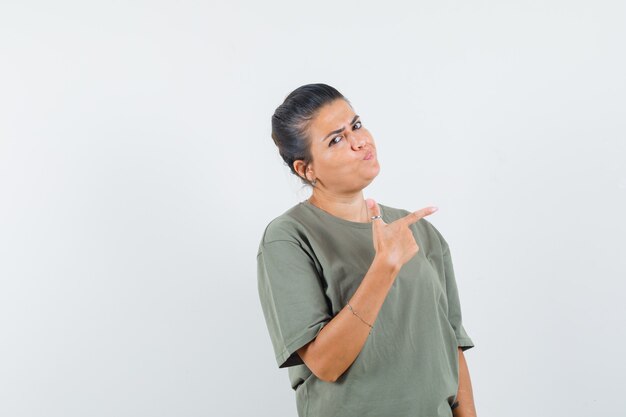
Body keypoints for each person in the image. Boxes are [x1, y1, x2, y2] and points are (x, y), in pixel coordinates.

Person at [256, 83, 477, 417]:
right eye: (336, 139)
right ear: (306, 169)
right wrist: (383, 268)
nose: (359, 142)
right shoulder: (288, 238)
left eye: (356, 126)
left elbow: (453, 347)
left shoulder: (415, 229)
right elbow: (325, 364)